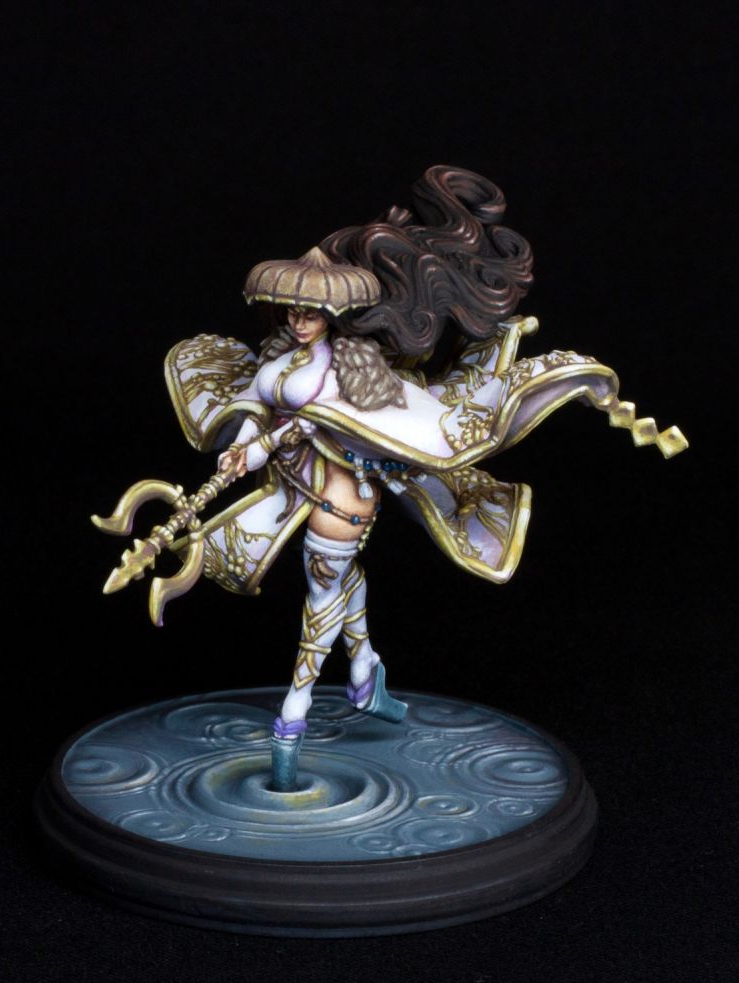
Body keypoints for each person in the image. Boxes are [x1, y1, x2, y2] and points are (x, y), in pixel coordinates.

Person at [108, 167, 688, 791]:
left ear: (335, 315)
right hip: (288, 485)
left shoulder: (349, 369)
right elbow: (259, 401)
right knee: (337, 580)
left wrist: (264, 445)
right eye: (292, 309)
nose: (299, 320)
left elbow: (316, 422)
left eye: (311, 311)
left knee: (321, 595)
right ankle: (365, 674)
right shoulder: (280, 353)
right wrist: (243, 442)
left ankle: (292, 721)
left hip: (341, 491)